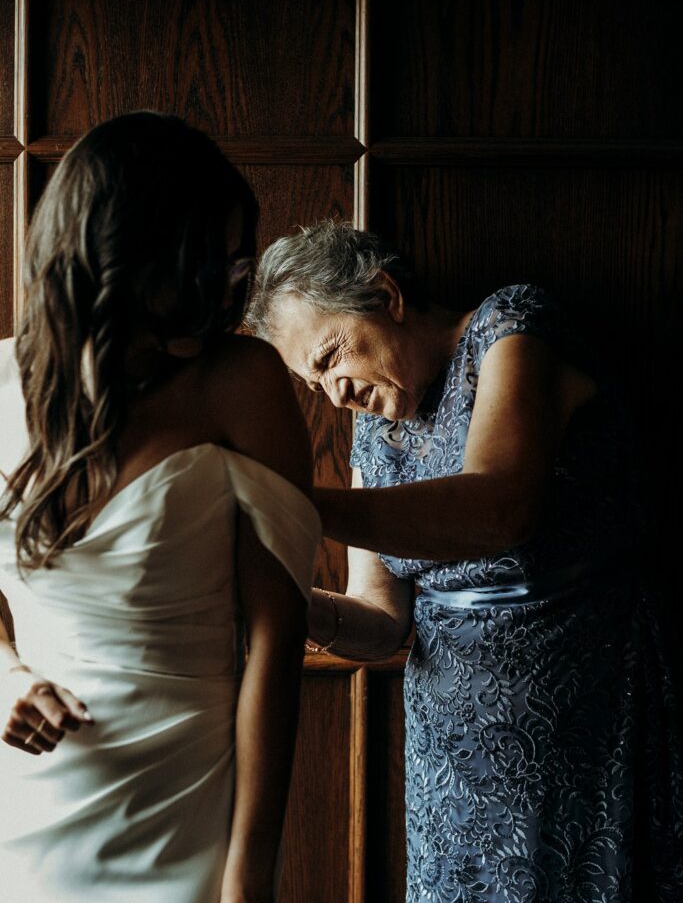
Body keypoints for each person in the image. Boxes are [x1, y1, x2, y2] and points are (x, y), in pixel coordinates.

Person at [245, 220, 683, 902]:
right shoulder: (373, 427)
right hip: (452, 749)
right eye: (312, 382)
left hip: (587, 711)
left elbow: (497, 510)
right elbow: (382, 622)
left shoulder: (510, 329)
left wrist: (289, 503)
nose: (334, 394)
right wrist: (287, 600)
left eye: (330, 356)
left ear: (386, 296)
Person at [0, 112, 320, 903]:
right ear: (121, 253)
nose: (220, 293)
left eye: (232, 265)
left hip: (185, 805)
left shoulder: (239, 382)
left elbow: (277, 641)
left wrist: (249, 873)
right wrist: (7, 674)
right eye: (200, 263)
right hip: (32, 802)